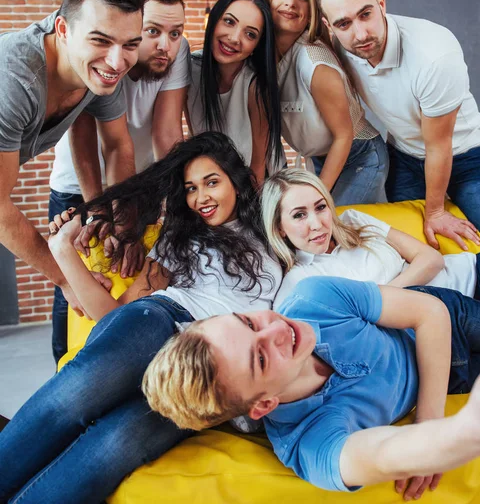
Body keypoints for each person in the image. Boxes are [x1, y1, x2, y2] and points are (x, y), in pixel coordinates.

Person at [0, 132, 282, 504]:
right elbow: (116, 319)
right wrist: (64, 253)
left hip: (203, 372)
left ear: (239, 181)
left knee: (116, 447)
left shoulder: (273, 227)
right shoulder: (180, 238)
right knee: (71, 401)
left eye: (212, 182)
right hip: (160, 321)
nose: (201, 198)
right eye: (191, 188)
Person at [142, 276, 480, 499]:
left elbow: (429, 314)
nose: (275, 328)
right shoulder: (308, 442)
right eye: (261, 357)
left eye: (248, 320)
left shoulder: (312, 297)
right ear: (263, 404)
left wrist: (430, 417)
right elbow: (377, 456)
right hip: (454, 372)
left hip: (447, 323)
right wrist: (468, 432)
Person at [261, 168, 480, 344]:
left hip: (474, 272)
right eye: (299, 215)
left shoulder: (352, 221)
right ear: (279, 227)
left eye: (320, 207)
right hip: (458, 313)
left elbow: (431, 259)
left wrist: (383, 296)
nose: (318, 223)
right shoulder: (300, 283)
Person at [316, 0, 480, 247]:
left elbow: (438, 145)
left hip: (465, 156)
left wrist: (435, 211)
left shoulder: (434, 54)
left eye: (366, 14)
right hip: (405, 157)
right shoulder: (338, 49)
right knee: (421, 251)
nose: (360, 34)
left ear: (381, 2)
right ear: (329, 26)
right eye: (344, 23)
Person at [46, 0, 191, 364]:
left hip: (137, 182)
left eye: (176, 32)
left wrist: (176, 200)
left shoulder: (174, 54)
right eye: (153, 31)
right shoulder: (103, 57)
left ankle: (117, 364)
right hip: (79, 183)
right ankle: (67, 364)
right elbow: (87, 144)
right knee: (73, 286)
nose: (166, 44)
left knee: (129, 272)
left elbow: (165, 135)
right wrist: (98, 213)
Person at [0, 0, 144, 317]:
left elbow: (116, 145)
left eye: (130, 44)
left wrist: (121, 227)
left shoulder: (102, 71)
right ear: (63, 29)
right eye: (101, 40)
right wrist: (66, 278)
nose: (117, 60)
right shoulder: (14, 78)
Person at [261, 0, 388, 205]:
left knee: (332, 228)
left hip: (359, 156)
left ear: (313, 10)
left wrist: (314, 198)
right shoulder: (267, 61)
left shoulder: (314, 62)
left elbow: (344, 136)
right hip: (320, 159)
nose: (291, 2)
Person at [186, 0, 283, 184]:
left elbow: (258, 164)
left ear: (256, 45)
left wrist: (253, 208)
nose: (234, 38)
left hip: (260, 181)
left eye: (250, 34)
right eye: (229, 22)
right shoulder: (189, 69)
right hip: (214, 182)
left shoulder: (255, 84)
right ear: (213, 21)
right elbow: (194, 136)